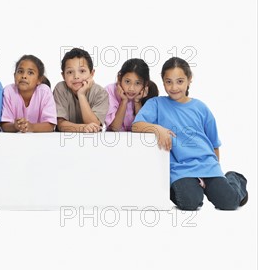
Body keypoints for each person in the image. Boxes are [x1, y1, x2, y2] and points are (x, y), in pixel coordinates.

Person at [133, 57, 248, 210]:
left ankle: (234, 178)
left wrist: (215, 171)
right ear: (163, 81)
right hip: (180, 169)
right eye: (169, 82)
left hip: (207, 165)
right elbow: (136, 126)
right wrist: (158, 129)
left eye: (180, 81)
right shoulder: (156, 104)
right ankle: (189, 187)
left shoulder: (201, 108)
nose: (174, 87)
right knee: (189, 203)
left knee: (229, 202)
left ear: (189, 80)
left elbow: (214, 144)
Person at [53, 47, 109, 132]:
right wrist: (82, 128)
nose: (76, 76)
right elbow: (60, 124)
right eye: (70, 72)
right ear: (63, 76)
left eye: (82, 71)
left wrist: (81, 95)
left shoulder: (101, 93)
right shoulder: (60, 89)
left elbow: (94, 125)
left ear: (92, 73)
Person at [1, 55, 56, 133]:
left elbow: (50, 125)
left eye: (30, 73)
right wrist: (15, 126)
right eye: (20, 71)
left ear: (39, 80)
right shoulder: (8, 91)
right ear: (14, 75)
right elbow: (4, 125)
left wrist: (31, 127)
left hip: (40, 140)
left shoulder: (45, 92)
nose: (24, 76)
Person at [105, 58, 158, 132]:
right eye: (127, 81)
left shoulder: (148, 93)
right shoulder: (110, 90)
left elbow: (145, 128)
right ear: (119, 78)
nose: (131, 88)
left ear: (145, 84)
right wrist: (124, 101)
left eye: (137, 83)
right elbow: (115, 128)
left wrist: (137, 102)